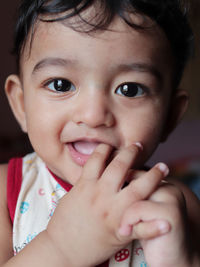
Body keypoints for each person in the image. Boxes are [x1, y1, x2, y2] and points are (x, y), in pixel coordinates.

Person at [0, 0, 199, 266]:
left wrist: (177, 259)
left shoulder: (176, 206)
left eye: (130, 89)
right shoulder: (6, 192)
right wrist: (63, 248)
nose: (93, 116)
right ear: (21, 105)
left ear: (170, 117)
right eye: (61, 85)